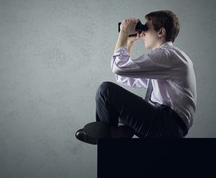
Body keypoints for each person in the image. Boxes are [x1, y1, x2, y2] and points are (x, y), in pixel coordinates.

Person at [76, 10, 197, 144]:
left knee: (106, 91)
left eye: (146, 28)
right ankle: (113, 134)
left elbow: (119, 67)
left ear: (161, 32)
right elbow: (123, 76)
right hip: (166, 125)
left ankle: (110, 135)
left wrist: (123, 33)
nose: (142, 33)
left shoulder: (168, 55)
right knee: (106, 98)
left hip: (168, 125)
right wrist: (129, 41)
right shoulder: (165, 62)